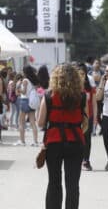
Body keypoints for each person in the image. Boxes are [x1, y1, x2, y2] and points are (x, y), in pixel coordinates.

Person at [38, 64, 88, 209]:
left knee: (54, 182)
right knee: (73, 184)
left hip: (54, 142)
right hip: (75, 142)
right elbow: (85, 122)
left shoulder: (49, 95)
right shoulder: (82, 96)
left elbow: (41, 122)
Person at [77, 63, 96, 171]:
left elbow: (94, 103)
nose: (81, 76)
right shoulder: (73, 88)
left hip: (88, 116)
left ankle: (86, 160)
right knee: (78, 139)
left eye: (83, 74)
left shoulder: (89, 88)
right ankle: (78, 159)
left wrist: (95, 118)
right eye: (79, 74)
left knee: (87, 139)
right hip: (76, 117)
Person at [16, 66, 40, 146]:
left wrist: (18, 87)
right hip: (31, 101)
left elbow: (24, 92)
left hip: (24, 101)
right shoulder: (33, 80)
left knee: (21, 122)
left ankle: (22, 141)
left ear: (25, 72)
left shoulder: (25, 80)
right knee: (33, 122)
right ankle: (35, 141)